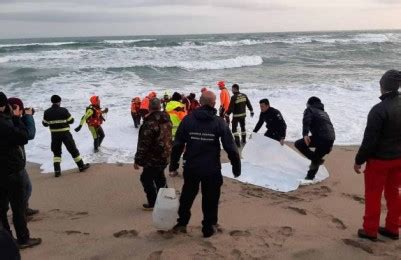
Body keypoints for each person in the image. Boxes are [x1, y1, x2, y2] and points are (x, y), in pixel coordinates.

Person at [169, 91, 241, 238]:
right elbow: (230, 147)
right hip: (211, 168)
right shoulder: (218, 121)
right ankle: (208, 227)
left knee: (187, 196)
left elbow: (178, 144)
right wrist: (236, 166)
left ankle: (182, 223)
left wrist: (173, 164)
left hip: (192, 166)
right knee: (210, 199)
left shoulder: (188, 119)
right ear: (214, 104)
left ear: (200, 103)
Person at [354, 70, 401, 241]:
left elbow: (369, 140)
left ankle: (370, 230)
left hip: (379, 160)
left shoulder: (378, 110)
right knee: (393, 192)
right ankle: (393, 228)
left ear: (383, 86)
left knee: (373, 195)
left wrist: (359, 160)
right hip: (398, 159)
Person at [0, 92, 41, 249]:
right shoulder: (5, 124)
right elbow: (24, 136)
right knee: (17, 208)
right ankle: (23, 240)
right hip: (11, 171)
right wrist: (18, 118)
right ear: (3, 106)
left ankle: (7, 240)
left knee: (2, 209)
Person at [134, 98, 173, 210]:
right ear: (160, 107)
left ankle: (153, 202)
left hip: (153, 158)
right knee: (159, 176)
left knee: (146, 178)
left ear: (149, 108)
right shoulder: (167, 119)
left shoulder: (150, 123)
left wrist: (138, 160)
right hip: (165, 155)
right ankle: (166, 200)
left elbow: (143, 144)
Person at [43, 95, 90, 177]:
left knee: (56, 153)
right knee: (73, 150)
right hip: (65, 134)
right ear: (59, 102)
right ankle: (81, 166)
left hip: (54, 135)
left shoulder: (47, 112)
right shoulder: (64, 110)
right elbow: (71, 121)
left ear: (52, 102)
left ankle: (57, 171)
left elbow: (45, 124)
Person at [7, 98, 39, 217]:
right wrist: (29, 116)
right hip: (14, 164)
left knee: (23, 189)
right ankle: (21, 211)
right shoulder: (9, 122)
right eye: (20, 109)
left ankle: (22, 208)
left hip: (14, 163)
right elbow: (29, 134)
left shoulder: (8, 120)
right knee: (25, 189)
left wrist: (22, 117)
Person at [294, 97, 335, 180]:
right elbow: (330, 127)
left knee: (298, 144)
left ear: (309, 104)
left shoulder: (310, 109)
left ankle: (316, 160)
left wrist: (305, 134)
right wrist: (331, 144)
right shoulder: (324, 113)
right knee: (316, 156)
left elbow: (306, 121)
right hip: (330, 138)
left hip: (321, 137)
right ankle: (310, 177)